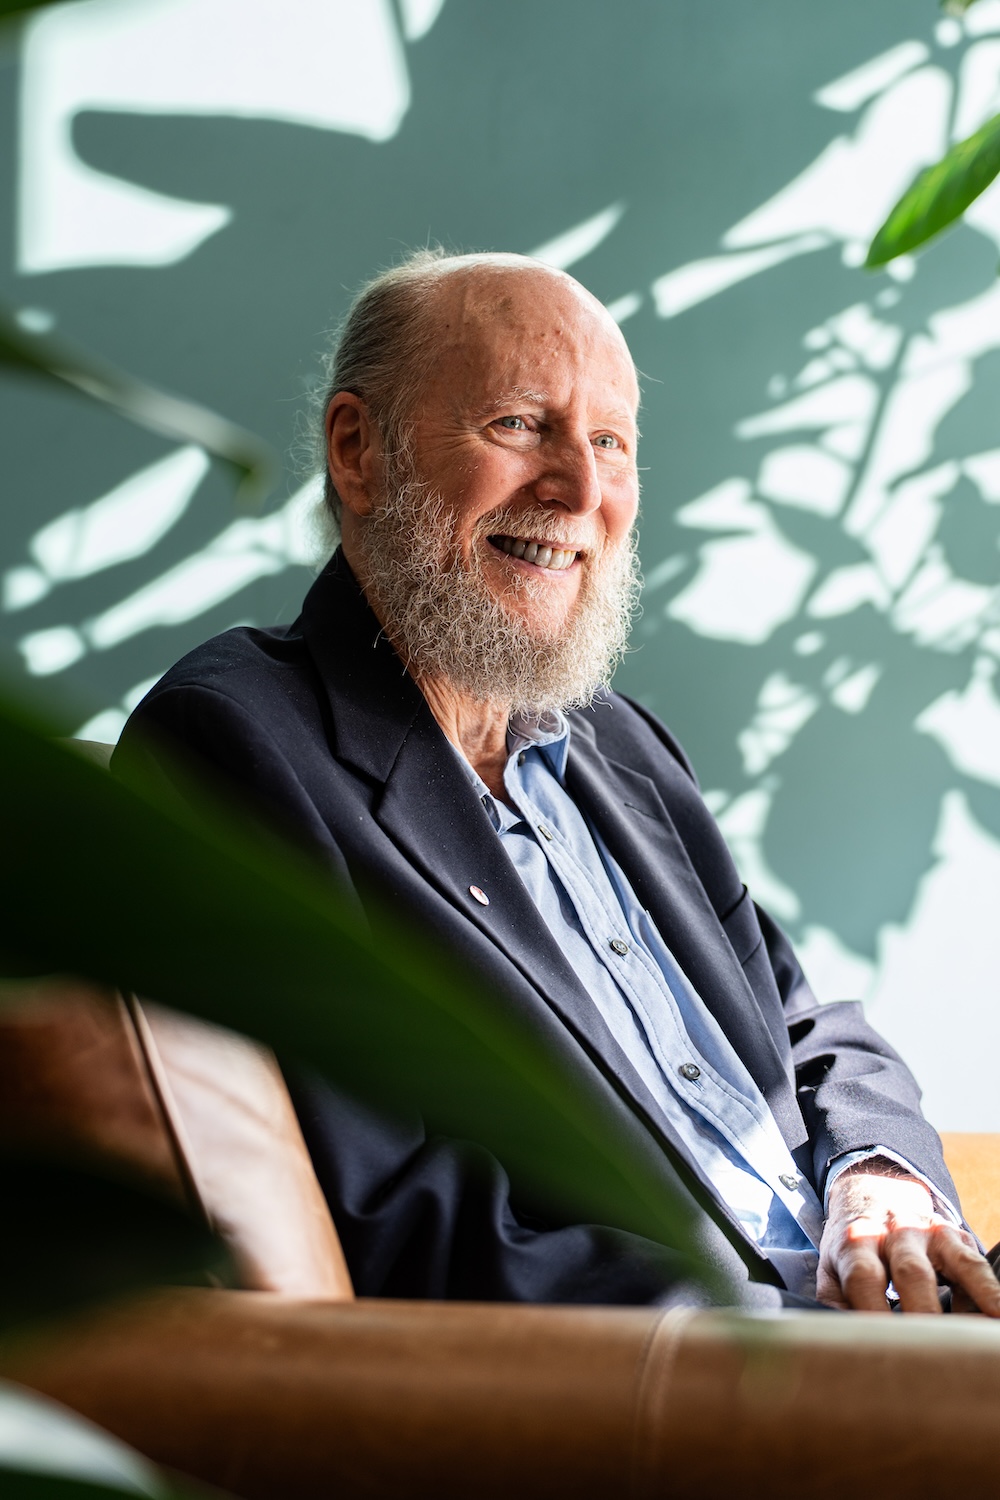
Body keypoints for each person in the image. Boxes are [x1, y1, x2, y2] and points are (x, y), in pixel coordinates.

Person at [113, 250, 1000, 1316]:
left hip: (887, 1305)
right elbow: (393, 1209)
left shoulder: (618, 746)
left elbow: (807, 1029)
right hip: (708, 1379)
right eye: (520, 426)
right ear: (358, 450)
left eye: (611, 442)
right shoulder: (240, 739)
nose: (580, 489)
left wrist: (879, 1179)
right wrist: (773, 1335)